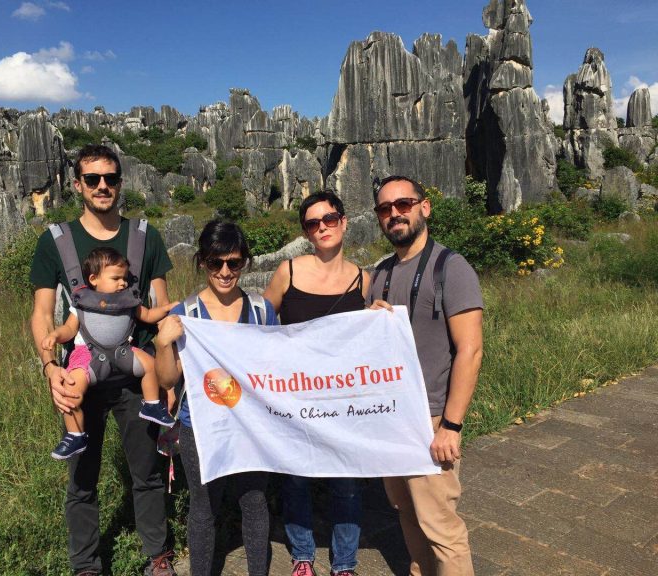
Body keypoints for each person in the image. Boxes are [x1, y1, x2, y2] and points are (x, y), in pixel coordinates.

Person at [30, 144, 176, 576]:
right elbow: (42, 313)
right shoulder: (55, 241)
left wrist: (166, 379)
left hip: (135, 373)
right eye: (92, 179)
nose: (102, 186)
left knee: (147, 469)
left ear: (120, 183)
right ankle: (86, 565)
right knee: (82, 477)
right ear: (77, 185)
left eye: (110, 178)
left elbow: (160, 305)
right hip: (80, 372)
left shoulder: (146, 236)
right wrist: (50, 368)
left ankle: (158, 554)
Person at [367, 175, 483, 576]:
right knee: (406, 512)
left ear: (424, 207)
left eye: (404, 204)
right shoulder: (379, 274)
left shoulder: (450, 267)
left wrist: (451, 425)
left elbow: (470, 349)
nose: (395, 214)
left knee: (441, 526)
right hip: (391, 417)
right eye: (385, 209)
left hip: (431, 417)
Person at [155, 220, 277, 576]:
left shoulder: (260, 311)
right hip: (200, 425)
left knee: (254, 501)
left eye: (234, 263)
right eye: (215, 262)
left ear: (245, 263)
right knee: (204, 505)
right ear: (202, 262)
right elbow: (167, 378)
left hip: (251, 424)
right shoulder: (186, 314)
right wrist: (163, 342)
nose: (225, 272)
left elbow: (277, 367)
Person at [263, 191, 370, 576]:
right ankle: (303, 556)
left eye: (329, 219)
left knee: (347, 485)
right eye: (312, 223)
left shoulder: (363, 280)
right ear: (306, 232)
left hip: (344, 404)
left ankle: (344, 563)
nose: (322, 227)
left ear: (343, 221)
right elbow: (259, 323)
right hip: (295, 401)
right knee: (295, 481)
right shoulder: (288, 271)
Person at [41, 246, 178, 460]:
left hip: (123, 351)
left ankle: (151, 405)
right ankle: (75, 434)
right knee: (69, 392)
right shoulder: (82, 303)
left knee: (150, 365)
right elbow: (69, 329)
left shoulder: (129, 300)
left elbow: (149, 315)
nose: (123, 283)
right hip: (88, 355)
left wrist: (169, 309)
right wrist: (56, 336)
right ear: (94, 279)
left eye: (124, 278)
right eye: (116, 278)